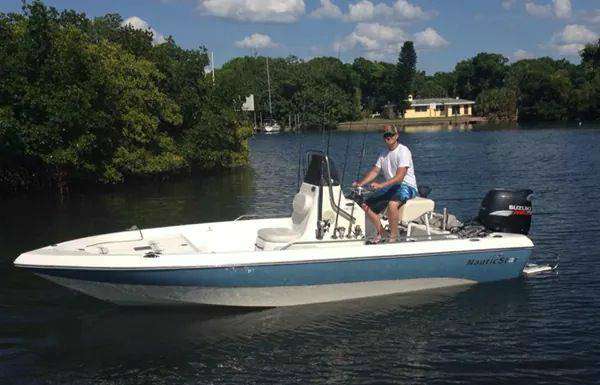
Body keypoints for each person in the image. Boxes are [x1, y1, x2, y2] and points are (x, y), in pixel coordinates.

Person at [352, 125, 418, 242]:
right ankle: (382, 233)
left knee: (392, 204)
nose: (388, 138)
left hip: (407, 186)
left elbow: (400, 177)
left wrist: (380, 185)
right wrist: (360, 183)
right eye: (385, 136)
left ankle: (393, 238)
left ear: (396, 136)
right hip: (392, 187)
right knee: (365, 204)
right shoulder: (383, 153)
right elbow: (375, 171)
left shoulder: (403, 151)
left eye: (390, 135)